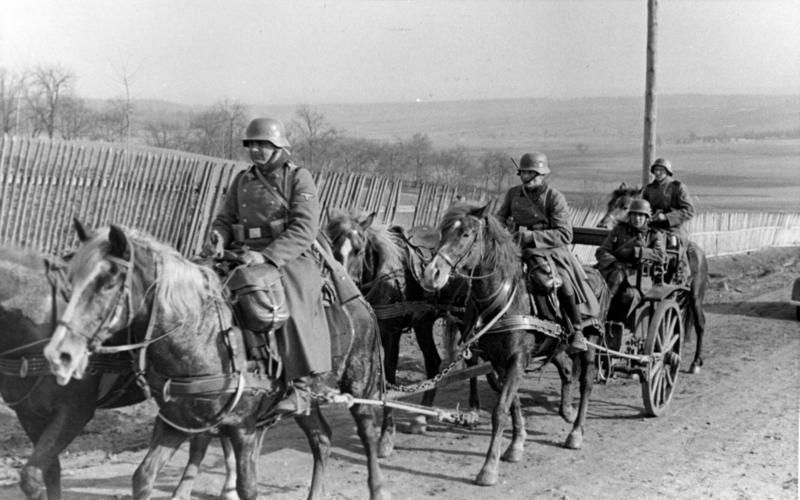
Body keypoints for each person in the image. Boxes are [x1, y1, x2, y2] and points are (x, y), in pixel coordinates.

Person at [203, 117, 331, 416]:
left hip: (288, 257)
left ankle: (301, 387)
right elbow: (225, 218)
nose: (257, 151)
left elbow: (304, 228)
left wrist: (268, 257)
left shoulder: (299, 178)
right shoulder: (242, 179)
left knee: (291, 302)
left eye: (264, 145)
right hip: (242, 254)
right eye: (252, 145)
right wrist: (219, 237)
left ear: (279, 147)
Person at [496, 152, 599, 353]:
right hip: (515, 247)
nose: (527, 178)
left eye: (531, 174)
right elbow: (499, 219)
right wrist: (503, 232)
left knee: (557, 280)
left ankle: (576, 329)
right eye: (524, 174)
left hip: (549, 251)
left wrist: (531, 237)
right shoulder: (513, 194)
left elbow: (565, 234)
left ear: (542, 175)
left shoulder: (554, 197)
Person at [595, 199, 666, 319]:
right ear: (630, 216)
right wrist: (614, 262)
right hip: (614, 270)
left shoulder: (653, 234)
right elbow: (602, 251)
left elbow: (660, 255)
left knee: (628, 295)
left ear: (647, 217)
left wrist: (637, 252)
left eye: (641, 215)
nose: (637, 218)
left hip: (639, 276)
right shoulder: (619, 230)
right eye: (634, 214)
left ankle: (611, 318)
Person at [642, 158, 695, 249]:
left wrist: (666, 217)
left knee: (674, 247)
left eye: (661, 170)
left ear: (667, 171)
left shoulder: (678, 187)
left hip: (673, 229)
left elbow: (689, 211)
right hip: (652, 227)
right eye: (656, 170)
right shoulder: (649, 189)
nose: (658, 173)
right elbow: (643, 207)